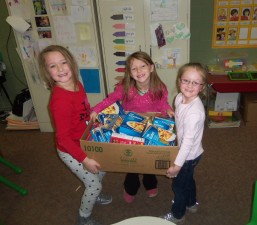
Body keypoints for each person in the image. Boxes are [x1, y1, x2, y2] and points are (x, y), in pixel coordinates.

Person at [38, 45, 112, 225]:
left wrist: (91, 114)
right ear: (47, 71)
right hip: (70, 150)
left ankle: (96, 192)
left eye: (63, 62)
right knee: (94, 184)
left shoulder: (77, 84)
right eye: (53, 66)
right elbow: (62, 138)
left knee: (101, 168)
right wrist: (84, 159)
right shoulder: (60, 101)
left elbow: (82, 110)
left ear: (71, 63)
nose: (61, 69)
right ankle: (83, 217)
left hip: (84, 140)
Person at [90, 51, 174, 203]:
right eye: (134, 68)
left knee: (149, 157)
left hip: (150, 127)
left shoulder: (159, 87)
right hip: (128, 127)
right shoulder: (125, 87)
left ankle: (150, 183)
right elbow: (110, 100)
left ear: (151, 68)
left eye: (143, 66)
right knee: (131, 160)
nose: (139, 71)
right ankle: (130, 187)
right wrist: (96, 109)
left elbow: (162, 104)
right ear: (129, 72)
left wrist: (167, 109)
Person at [161, 63, 207, 224]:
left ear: (201, 87)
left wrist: (177, 166)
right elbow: (180, 115)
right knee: (188, 180)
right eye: (186, 80)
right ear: (179, 81)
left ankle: (177, 214)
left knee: (178, 187)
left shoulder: (195, 112)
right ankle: (191, 203)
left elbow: (187, 143)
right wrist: (173, 114)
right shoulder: (179, 98)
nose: (189, 85)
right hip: (191, 153)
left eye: (195, 83)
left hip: (188, 156)